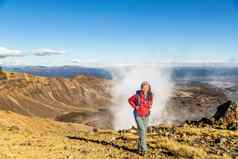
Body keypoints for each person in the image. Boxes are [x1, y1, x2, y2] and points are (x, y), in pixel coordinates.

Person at [128, 81, 154, 156]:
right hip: (138, 115)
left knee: (143, 132)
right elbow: (129, 100)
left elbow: (151, 102)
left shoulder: (150, 95)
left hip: (146, 115)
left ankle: (139, 149)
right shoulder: (137, 95)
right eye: (144, 87)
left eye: (147, 87)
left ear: (149, 88)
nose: (145, 89)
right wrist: (135, 106)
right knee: (142, 130)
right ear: (141, 88)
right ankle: (144, 149)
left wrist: (150, 106)